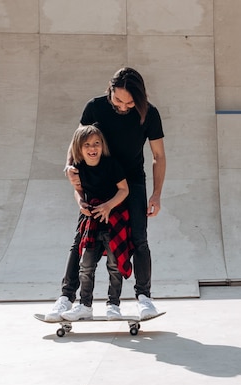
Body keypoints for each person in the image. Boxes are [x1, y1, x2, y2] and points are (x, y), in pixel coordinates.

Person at [45, 67, 166, 321]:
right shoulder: (95, 107)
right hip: (97, 179)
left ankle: (144, 298)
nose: (123, 107)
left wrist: (156, 194)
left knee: (139, 239)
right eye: (118, 100)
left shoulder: (149, 113)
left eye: (130, 102)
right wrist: (69, 165)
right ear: (110, 91)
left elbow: (158, 156)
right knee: (82, 240)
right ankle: (66, 298)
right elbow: (77, 140)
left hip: (131, 182)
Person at [59, 125, 132, 321]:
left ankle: (113, 305)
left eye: (96, 144)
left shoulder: (112, 165)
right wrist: (80, 202)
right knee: (86, 265)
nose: (93, 148)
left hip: (113, 220)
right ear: (79, 148)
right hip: (91, 223)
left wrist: (108, 206)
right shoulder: (79, 169)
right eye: (87, 145)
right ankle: (84, 305)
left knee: (114, 266)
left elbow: (124, 190)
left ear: (102, 146)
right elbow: (78, 191)